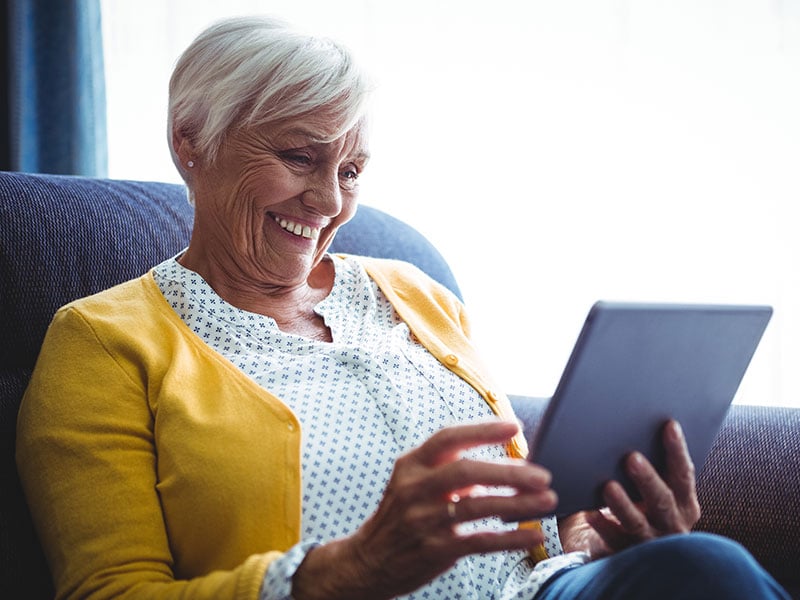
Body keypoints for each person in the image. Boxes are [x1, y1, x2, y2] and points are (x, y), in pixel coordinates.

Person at [16, 15, 789, 600]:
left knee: (693, 563)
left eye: (350, 170)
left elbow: (529, 524)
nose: (326, 202)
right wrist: (352, 568)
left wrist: (605, 538)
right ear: (191, 139)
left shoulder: (414, 292)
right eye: (298, 157)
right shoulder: (103, 344)